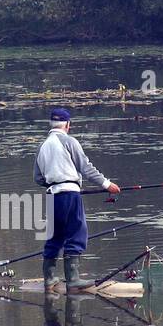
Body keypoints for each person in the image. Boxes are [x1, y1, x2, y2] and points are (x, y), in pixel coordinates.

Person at [33, 107, 120, 291]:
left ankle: (49, 279)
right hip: (70, 194)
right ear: (67, 125)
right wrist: (107, 185)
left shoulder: (41, 146)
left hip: (52, 195)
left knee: (54, 236)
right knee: (76, 232)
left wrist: (54, 181)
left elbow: (38, 178)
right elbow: (86, 168)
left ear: (51, 124)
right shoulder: (69, 142)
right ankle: (73, 280)